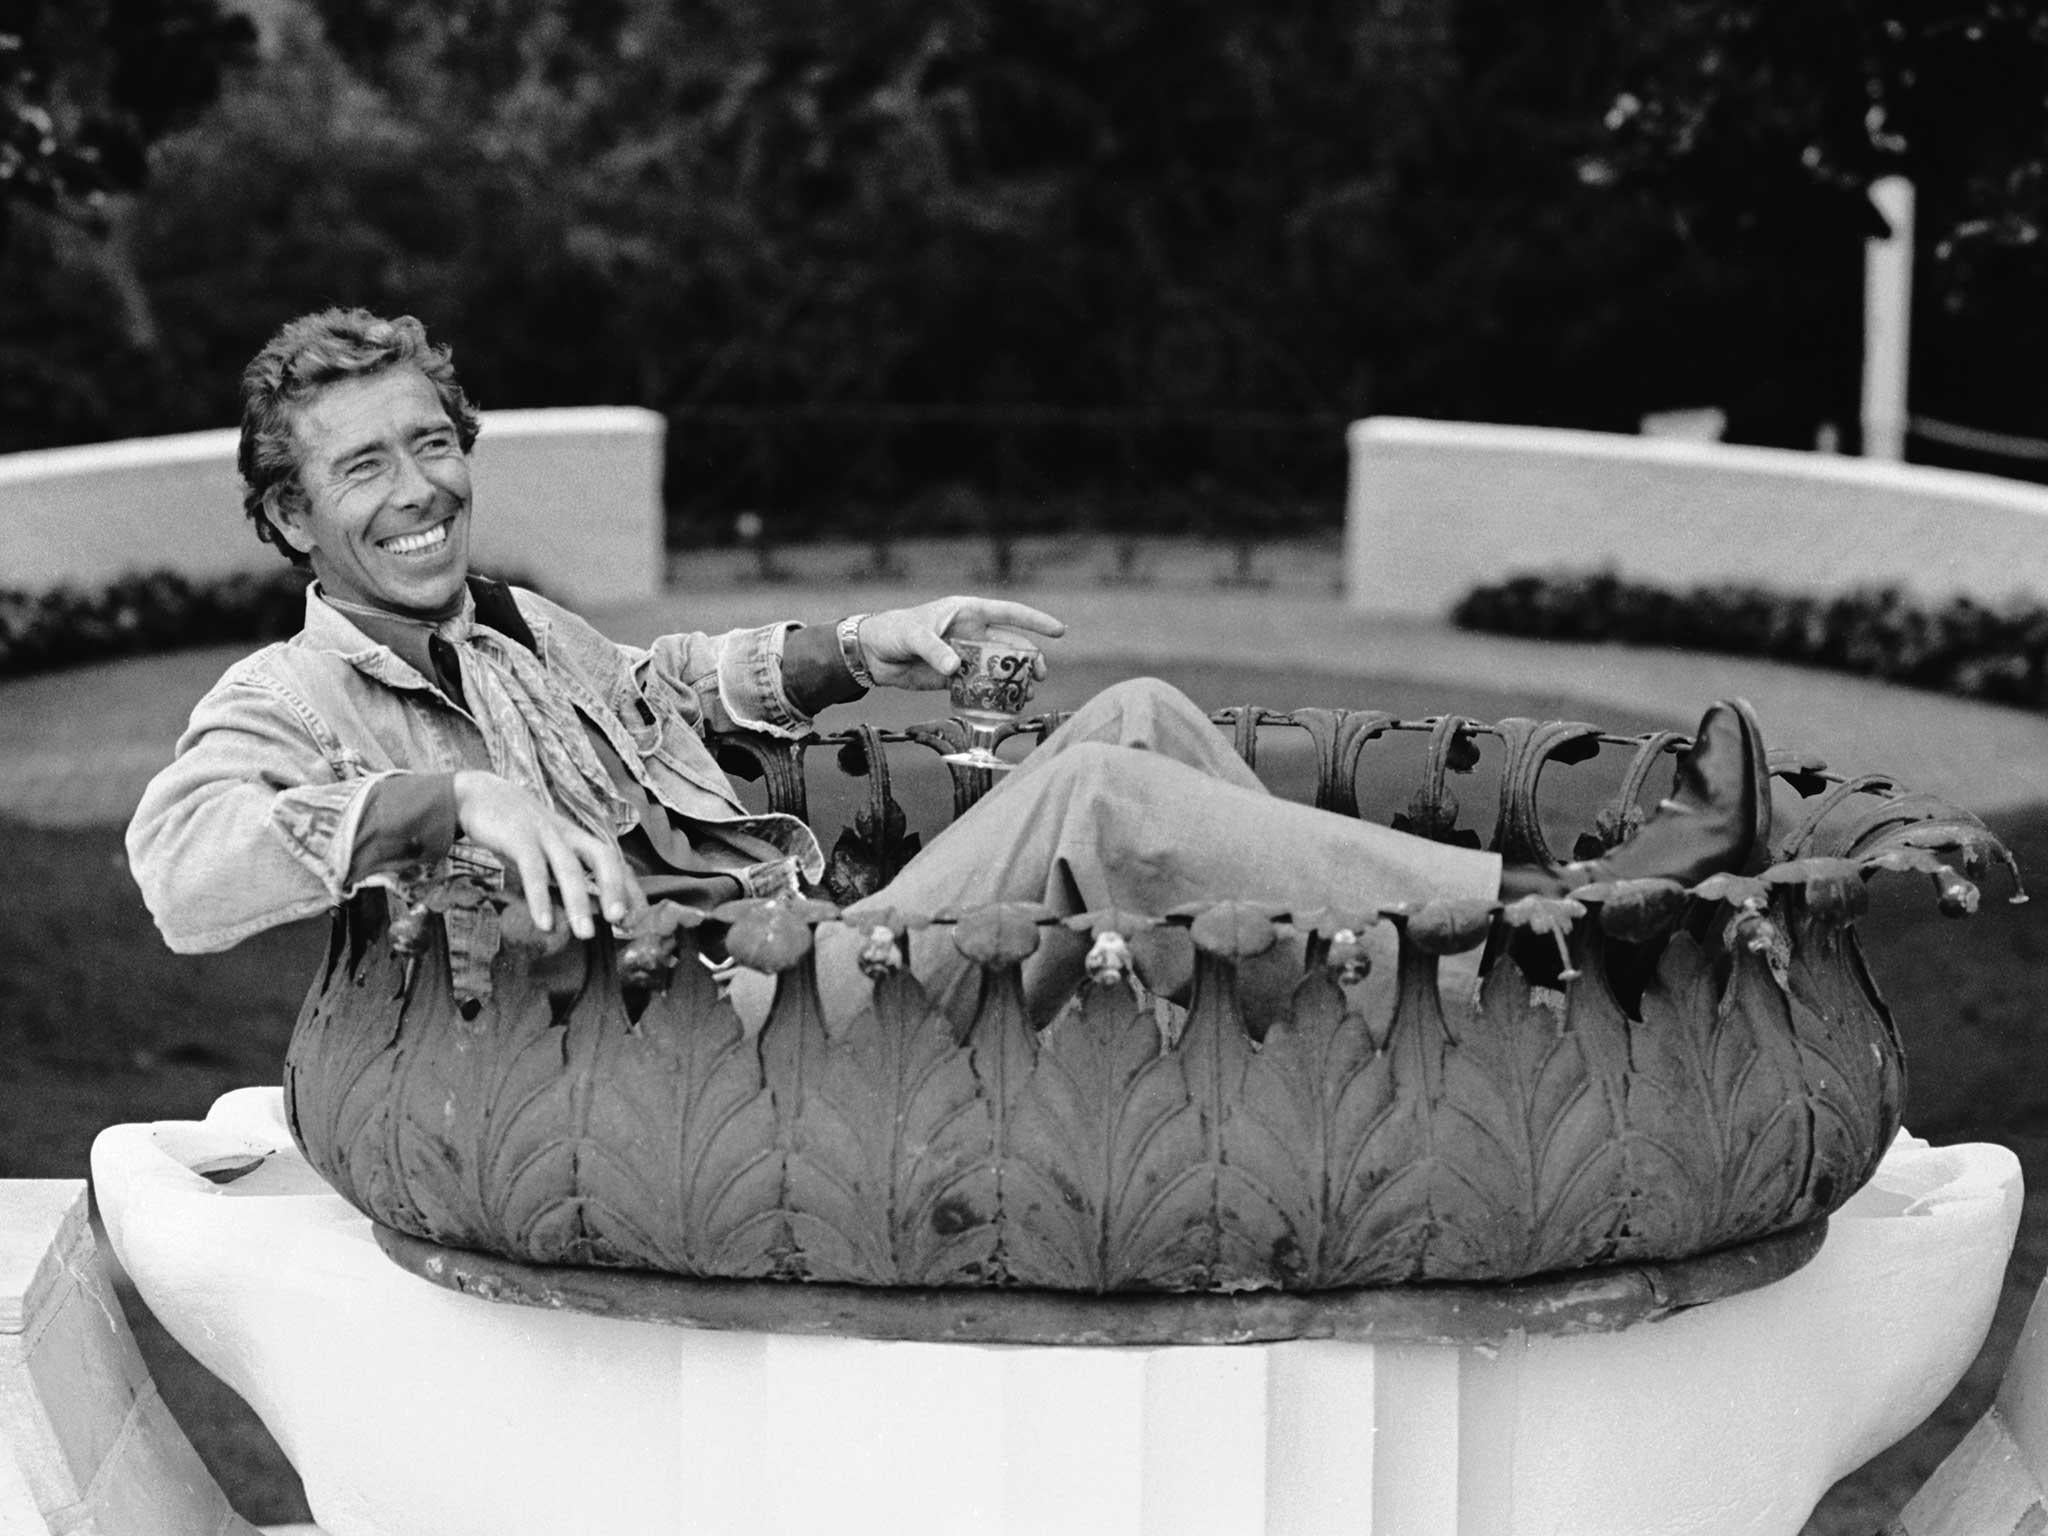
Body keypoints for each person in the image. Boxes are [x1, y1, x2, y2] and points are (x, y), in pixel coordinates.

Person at [126, 308, 1770, 1025]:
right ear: (290, 517)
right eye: (362, 470)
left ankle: (1417, 982)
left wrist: (875, 644)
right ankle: (1557, 925)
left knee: (1123, 715)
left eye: (432, 443)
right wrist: (446, 799)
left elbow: (680, 681)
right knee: (1107, 800)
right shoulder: (289, 702)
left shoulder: (518, 629)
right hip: (711, 1019)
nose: (418, 490)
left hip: (801, 942)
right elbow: (180, 874)